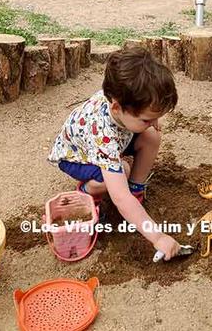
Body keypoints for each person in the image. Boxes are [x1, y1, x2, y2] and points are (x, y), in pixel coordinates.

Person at [48, 47, 181, 260]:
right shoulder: (104, 135)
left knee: (151, 137)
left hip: (117, 139)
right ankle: (89, 190)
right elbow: (119, 198)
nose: (154, 122)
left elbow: (141, 125)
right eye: (147, 119)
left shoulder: (122, 96)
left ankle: (135, 190)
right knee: (122, 171)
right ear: (117, 107)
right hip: (77, 157)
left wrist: (147, 124)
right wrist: (157, 237)